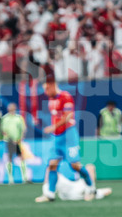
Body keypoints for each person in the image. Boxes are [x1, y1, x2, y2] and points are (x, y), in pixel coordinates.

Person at [35, 73, 95, 203]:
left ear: (52, 85)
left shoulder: (65, 96)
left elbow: (68, 116)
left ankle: (91, 188)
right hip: (57, 136)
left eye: (46, 88)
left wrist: (52, 127)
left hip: (69, 135)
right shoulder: (51, 100)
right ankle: (50, 194)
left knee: (75, 165)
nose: (45, 92)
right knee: (52, 164)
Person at [40, 164, 112, 201]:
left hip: (71, 191)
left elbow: (108, 190)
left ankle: (47, 194)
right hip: (79, 189)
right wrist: (96, 191)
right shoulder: (94, 191)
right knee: (90, 167)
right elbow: (108, 190)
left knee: (51, 167)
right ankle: (47, 194)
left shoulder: (94, 192)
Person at [0, 102, 29, 184]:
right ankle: (10, 179)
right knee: (10, 158)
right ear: (8, 109)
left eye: (13, 108)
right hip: (9, 141)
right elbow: (3, 131)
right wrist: (11, 139)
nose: (12, 110)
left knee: (21, 157)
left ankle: (24, 178)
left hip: (18, 141)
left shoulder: (19, 118)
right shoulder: (5, 118)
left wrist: (20, 139)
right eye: (10, 108)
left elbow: (23, 129)